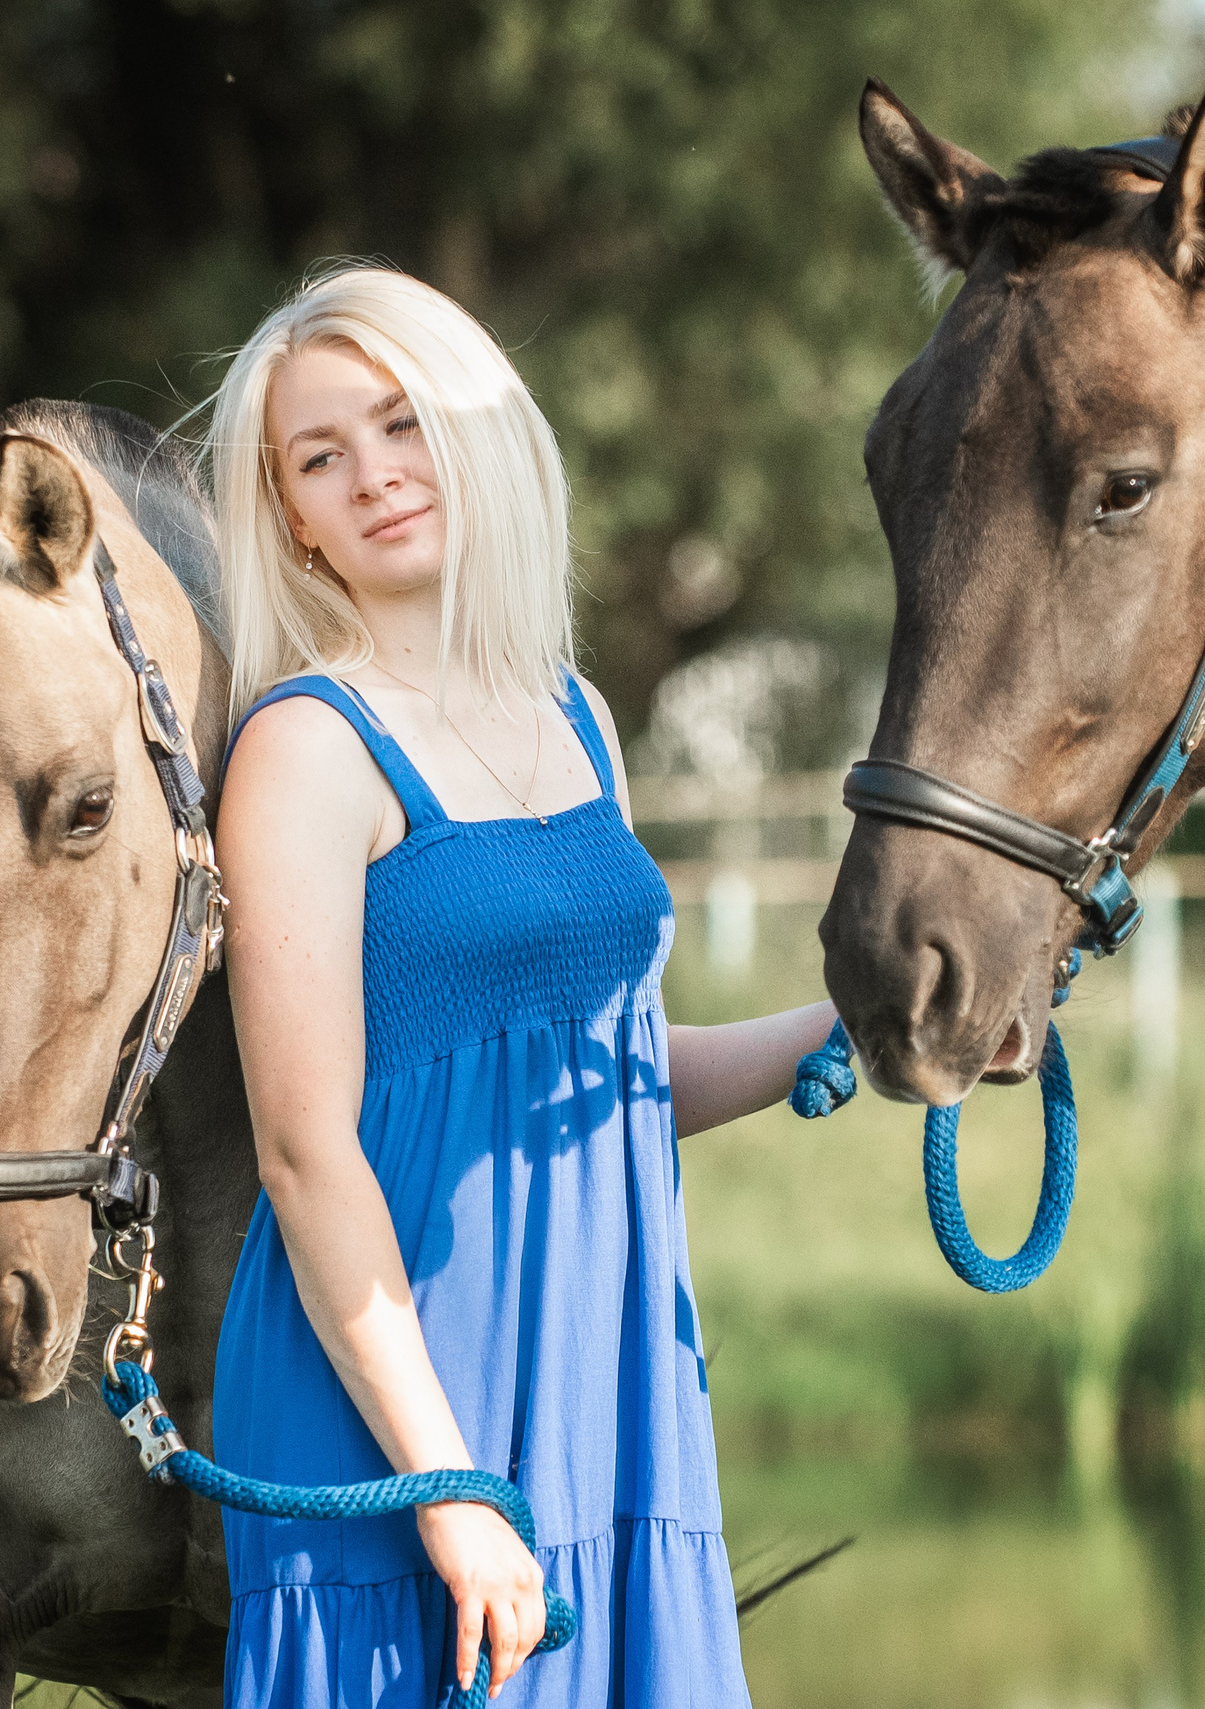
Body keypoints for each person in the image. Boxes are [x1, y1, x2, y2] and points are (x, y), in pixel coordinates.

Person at [204, 265, 835, 1707]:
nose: (374, 475)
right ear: (288, 512)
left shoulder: (577, 715)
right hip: (399, 1416)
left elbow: (611, 1073)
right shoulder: (305, 748)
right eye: (320, 456)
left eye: (401, 423)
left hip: (612, 1394)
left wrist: (851, 1025)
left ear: (472, 429)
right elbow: (306, 1158)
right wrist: (448, 1486)